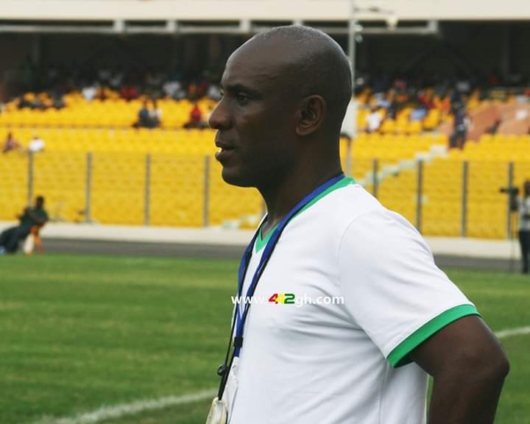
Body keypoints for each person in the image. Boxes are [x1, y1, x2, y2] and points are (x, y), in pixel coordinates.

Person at [207, 25, 508, 424]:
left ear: (308, 115)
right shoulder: (282, 227)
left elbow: (474, 361)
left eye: (242, 98)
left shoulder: (356, 231)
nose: (216, 116)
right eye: (223, 95)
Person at [514, 180, 530, 274]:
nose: (527, 188)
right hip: (521, 228)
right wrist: (514, 196)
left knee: (528, 249)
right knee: (523, 249)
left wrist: (524, 214)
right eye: (526, 187)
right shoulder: (520, 199)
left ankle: (527, 267)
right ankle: (525, 268)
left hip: (529, 228)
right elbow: (513, 208)